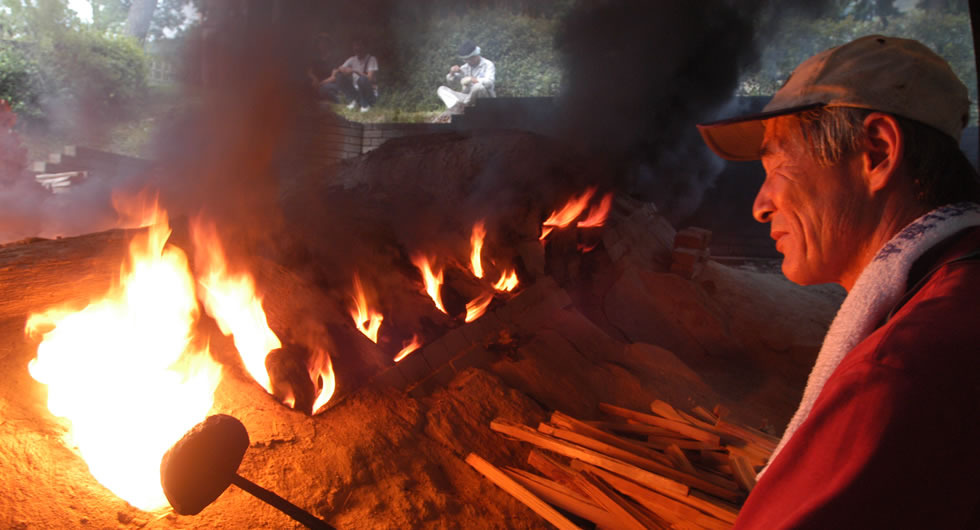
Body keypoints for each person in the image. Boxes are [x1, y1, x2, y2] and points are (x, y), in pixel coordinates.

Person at [698, 35, 980, 528]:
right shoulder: (958, 283)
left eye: (776, 163)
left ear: (876, 150)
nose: (759, 205)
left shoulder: (898, 374)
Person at [315, 38, 378, 112]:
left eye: (359, 46)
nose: (356, 48)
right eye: (355, 46)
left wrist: (354, 71)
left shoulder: (371, 59)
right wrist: (342, 70)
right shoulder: (352, 59)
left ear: (364, 47)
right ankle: (354, 100)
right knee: (339, 76)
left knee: (362, 79)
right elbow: (338, 70)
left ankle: (365, 104)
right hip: (356, 91)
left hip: (368, 93)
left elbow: (369, 78)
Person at [437, 40, 496, 114]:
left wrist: (473, 79)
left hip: (484, 99)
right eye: (465, 59)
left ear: (476, 55)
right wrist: (452, 73)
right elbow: (451, 83)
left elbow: (490, 82)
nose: (468, 61)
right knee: (441, 89)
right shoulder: (465, 67)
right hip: (467, 98)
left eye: (470, 58)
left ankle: (463, 107)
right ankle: (457, 106)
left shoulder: (488, 64)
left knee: (478, 87)